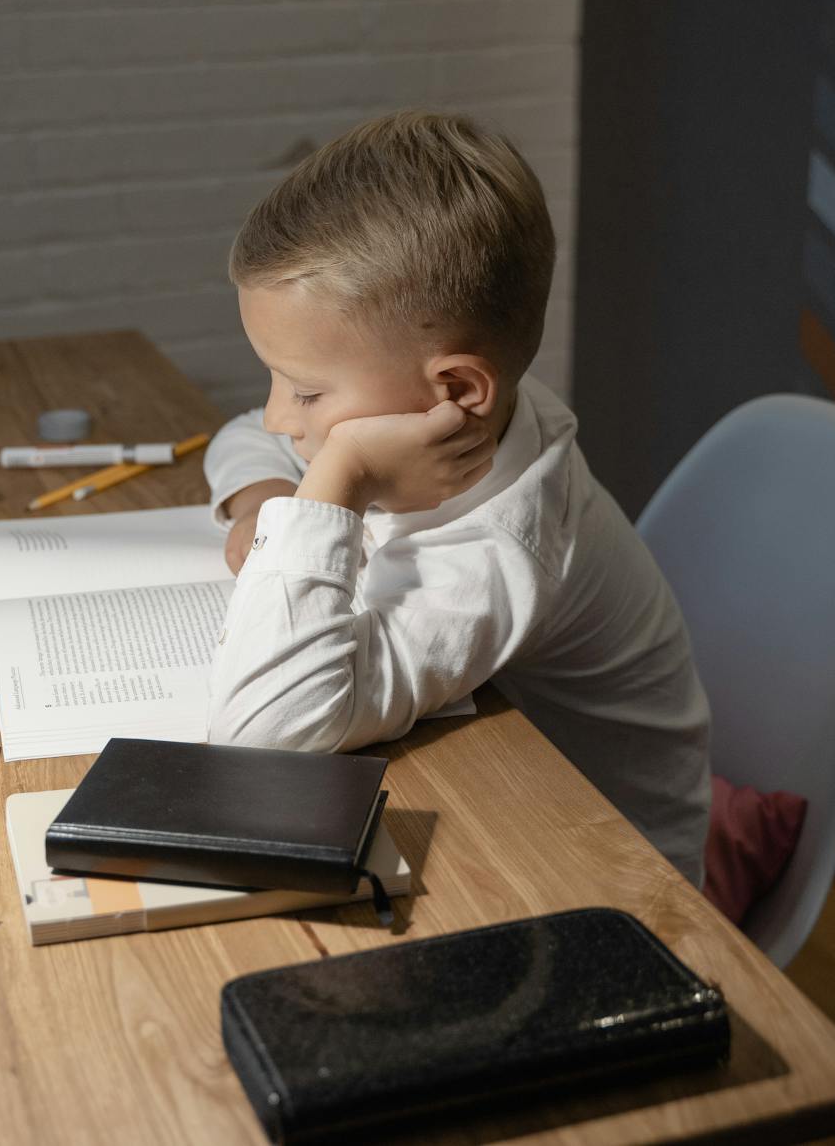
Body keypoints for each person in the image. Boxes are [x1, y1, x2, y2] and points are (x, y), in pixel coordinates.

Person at [204, 110, 712, 885]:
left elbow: (267, 736)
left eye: (304, 391)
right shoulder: (475, 413)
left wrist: (336, 479)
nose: (279, 416)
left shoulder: (504, 547)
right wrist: (264, 499)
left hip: (617, 878)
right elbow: (247, 435)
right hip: (515, 799)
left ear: (455, 389)